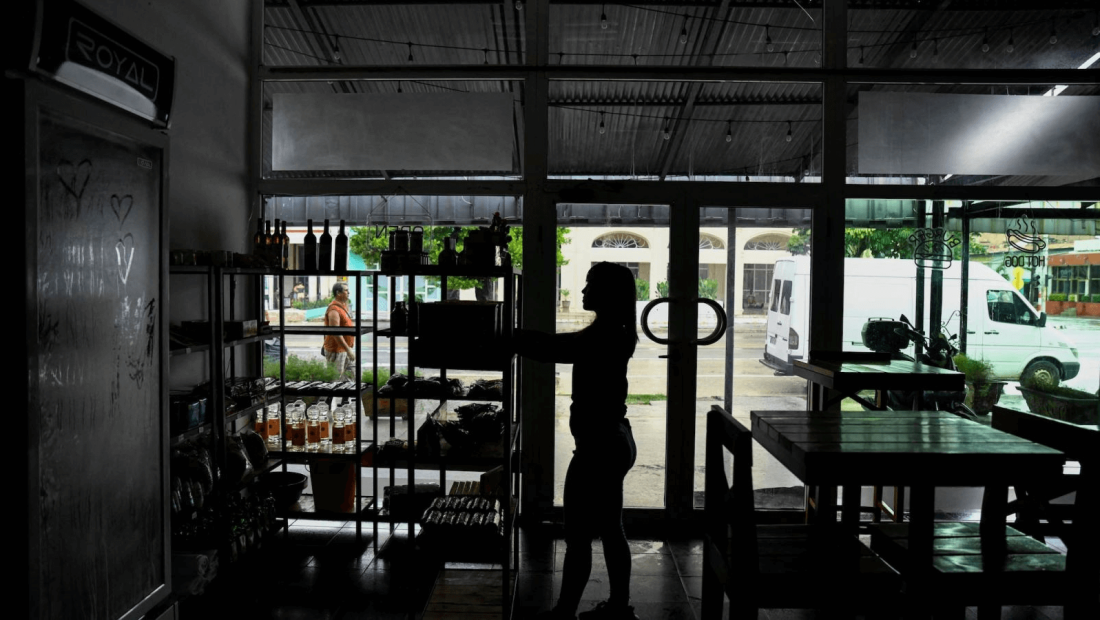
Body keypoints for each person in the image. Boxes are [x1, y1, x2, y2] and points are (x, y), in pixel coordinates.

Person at [517, 262, 640, 620]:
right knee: (611, 529)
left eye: (589, 287)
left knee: (578, 537)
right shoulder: (615, 330)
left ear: (608, 294)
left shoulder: (603, 336)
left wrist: (508, 335)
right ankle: (618, 608)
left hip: (599, 447)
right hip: (614, 439)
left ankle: (565, 613)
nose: (583, 293)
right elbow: (556, 345)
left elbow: (550, 348)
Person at [323, 282, 356, 380]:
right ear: (338, 293)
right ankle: (329, 396)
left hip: (344, 350)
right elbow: (335, 332)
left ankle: (350, 395)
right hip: (337, 350)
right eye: (346, 290)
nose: (348, 292)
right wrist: (348, 350)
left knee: (352, 377)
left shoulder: (343, 306)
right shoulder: (334, 309)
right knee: (335, 380)